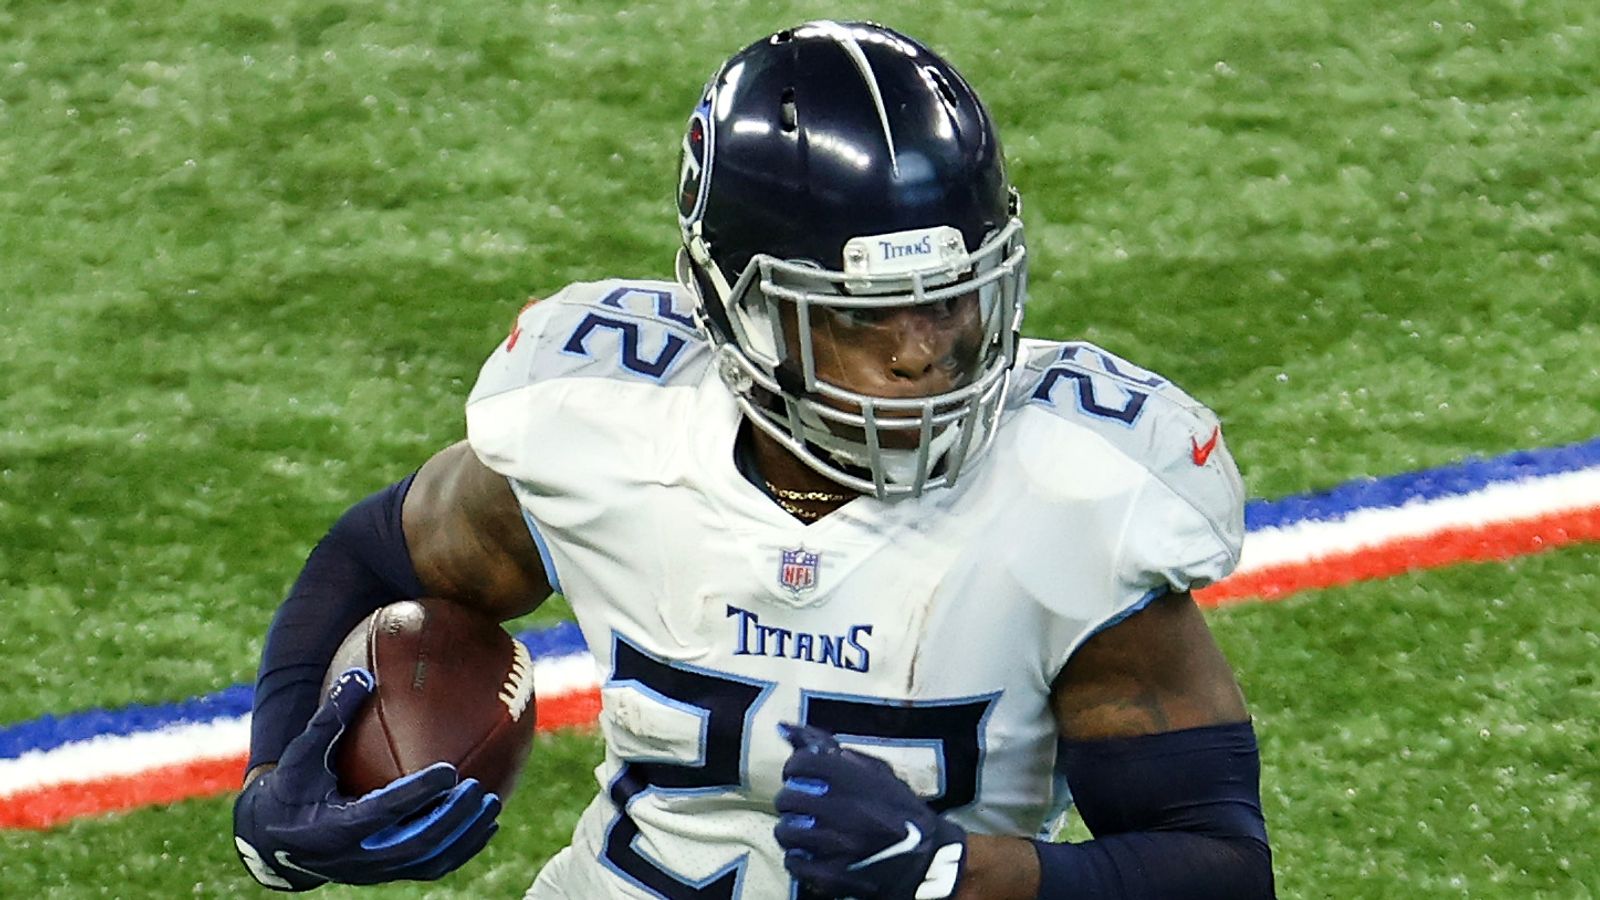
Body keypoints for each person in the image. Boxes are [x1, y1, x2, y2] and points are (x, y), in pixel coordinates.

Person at [232, 19, 1274, 899]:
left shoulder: (1072, 489)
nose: (924, 352)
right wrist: (275, 791)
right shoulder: (604, 425)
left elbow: (1218, 863)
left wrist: (957, 873)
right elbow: (378, 554)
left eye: (951, 298)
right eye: (868, 317)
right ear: (740, 306)